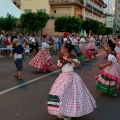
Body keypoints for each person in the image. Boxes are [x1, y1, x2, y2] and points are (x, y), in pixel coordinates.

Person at [47, 43, 96, 120]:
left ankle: (67, 113)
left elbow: (79, 65)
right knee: (57, 93)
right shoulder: (61, 58)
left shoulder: (71, 57)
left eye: (62, 48)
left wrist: (72, 60)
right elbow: (58, 67)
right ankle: (62, 111)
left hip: (71, 77)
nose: (60, 49)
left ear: (66, 49)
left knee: (69, 96)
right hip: (63, 77)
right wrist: (50, 65)